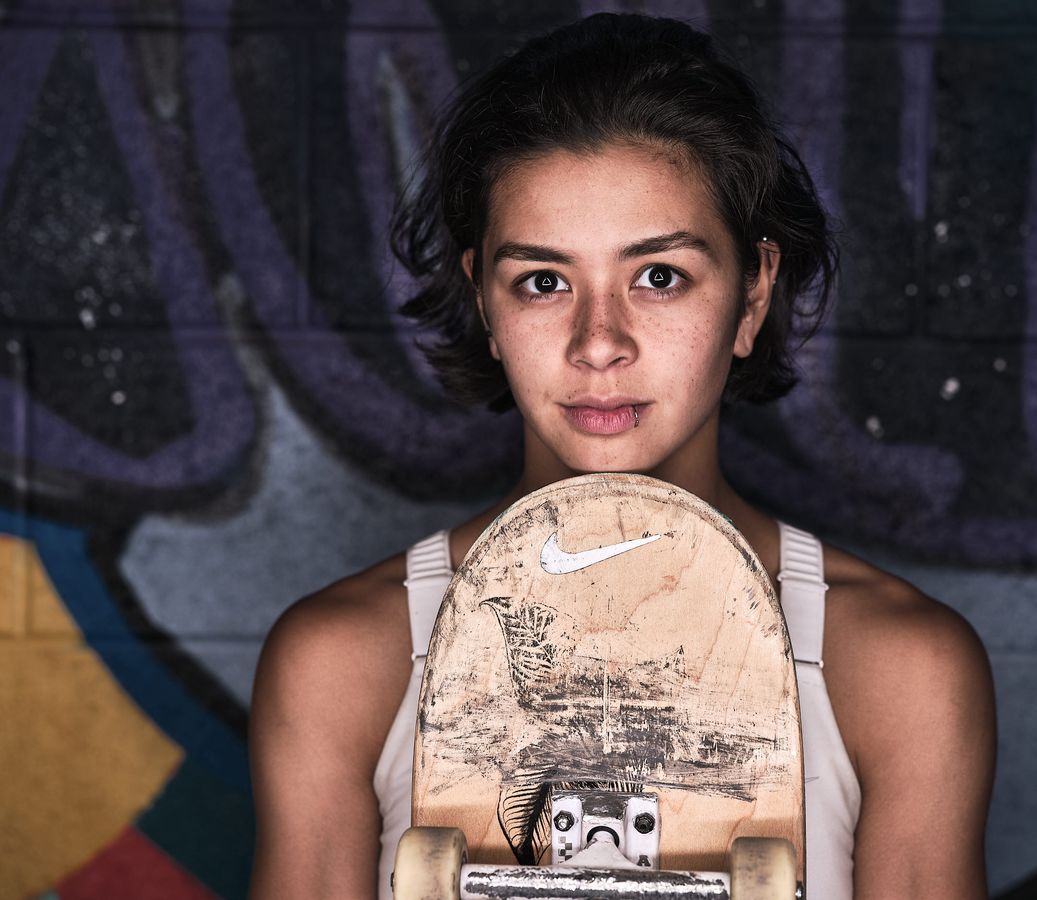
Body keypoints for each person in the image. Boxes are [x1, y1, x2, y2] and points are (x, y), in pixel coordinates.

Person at [248, 13, 996, 900]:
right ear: (485, 303)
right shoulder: (342, 665)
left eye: (658, 276)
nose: (598, 343)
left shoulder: (902, 673)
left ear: (753, 294)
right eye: (543, 282)